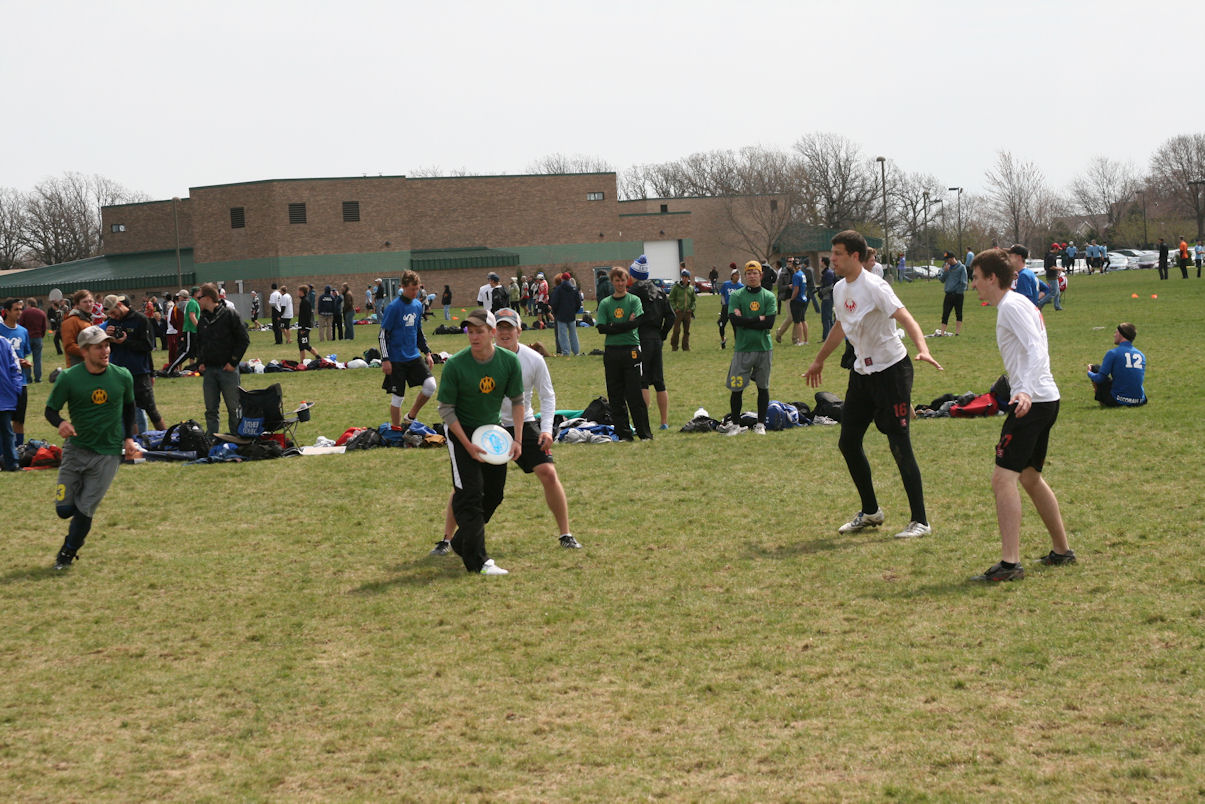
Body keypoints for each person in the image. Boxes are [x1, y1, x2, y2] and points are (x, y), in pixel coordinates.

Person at [804, 229, 942, 540]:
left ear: (855, 256)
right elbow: (841, 326)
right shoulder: (839, 288)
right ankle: (870, 512)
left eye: (838, 254)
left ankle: (920, 521)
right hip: (862, 373)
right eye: (832, 253)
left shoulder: (876, 286)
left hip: (891, 372)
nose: (832, 259)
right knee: (848, 442)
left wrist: (923, 348)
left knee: (899, 444)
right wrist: (819, 359)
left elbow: (907, 319)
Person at [432, 307, 580, 556]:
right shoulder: (475, 358)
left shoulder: (532, 359)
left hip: (523, 423)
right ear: (493, 332)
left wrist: (546, 430)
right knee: (467, 484)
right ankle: (447, 539)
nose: (504, 333)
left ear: (519, 331)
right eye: (500, 327)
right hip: (488, 425)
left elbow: (546, 396)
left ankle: (566, 533)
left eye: (509, 328)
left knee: (548, 472)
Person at [967, 249, 1075, 581]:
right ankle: (1062, 551)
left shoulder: (1011, 306)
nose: (973, 285)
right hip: (1044, 399)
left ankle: (1010, 564)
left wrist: (1024, 389)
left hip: (1033, 401)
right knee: (1029, 477)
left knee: (1003, 479)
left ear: (992, 278)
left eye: (976, 278)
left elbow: (1036, 349)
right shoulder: (1015, 304)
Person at [44, 325, 140, 570]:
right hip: (76, 449)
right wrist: (61, 423)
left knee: (85, 510)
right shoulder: (68, 378)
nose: (105, 350)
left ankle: (67, 552)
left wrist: (129, 438)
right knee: (64, 509)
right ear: (84, 351)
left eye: (107, 345)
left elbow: (129, 407)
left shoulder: (122, 376)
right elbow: (50, 410)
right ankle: (78, 497)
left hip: (108, 454)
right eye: (99, 347)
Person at [436, 307, 524, 575]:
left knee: (494, 493)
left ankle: (462, 541)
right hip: (460, 433)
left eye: (479, 332)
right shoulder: (455, 364)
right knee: (470, 493)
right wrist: (467, 445)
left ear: (492, 333)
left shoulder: (509, 361)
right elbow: (446, 409)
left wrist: (517, 440)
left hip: (491, 432)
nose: (473, 337)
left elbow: (518, 401)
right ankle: (479, 562)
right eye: (470, 332)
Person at [718, 261, 777, 435]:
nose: (752, 276)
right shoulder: (737, 296)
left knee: (763, 387)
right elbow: (734, 320)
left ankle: (760, 425)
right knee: (736, 388)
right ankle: (736, 425)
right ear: (745, 276)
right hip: (742, 349)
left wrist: (746, 320)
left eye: (755, 273)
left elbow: (769, 323)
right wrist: (758, 319)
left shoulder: (768, 296)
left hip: (763, 349)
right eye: (749, 273)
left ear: (761, 275)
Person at [596, 265, 652, 441]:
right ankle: (623, 434)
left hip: (631, 350)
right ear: (612, 282)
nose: (620, 283)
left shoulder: (634, 300)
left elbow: (636, 323)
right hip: (612, 351)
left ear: (627, 281)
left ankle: (644, 433)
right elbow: (601, 328)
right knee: (615, 395)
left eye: (622, 280)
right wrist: (624, 325)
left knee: (634, 394)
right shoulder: (605, 303)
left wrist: (613, 326)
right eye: (617, 280)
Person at [379, 271, 436, 428]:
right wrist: (385, 359)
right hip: (396, 359)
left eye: (417, 289)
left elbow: (418, 332)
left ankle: (410, 417)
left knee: (430, 385)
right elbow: (382, 335)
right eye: (412, 289)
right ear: (402, 287)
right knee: (398, 398)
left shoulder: (417, 305)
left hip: (414, 357)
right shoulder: (393, 307)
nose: (415, 292)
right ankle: (396, 430)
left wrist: (427, 353)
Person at [101, 295, 167, 432]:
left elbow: (148, 346)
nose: (113, 316)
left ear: (120, 305)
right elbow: (106, 349)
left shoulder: (140, 319)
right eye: (110, 314)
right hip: (118, 373)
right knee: (129, 414)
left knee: (151, 410)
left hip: (139, 372)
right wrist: (108, 338)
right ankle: (134, 441)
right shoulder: (111, 322)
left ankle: (166, 438)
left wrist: (125, 341)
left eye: (113, 312)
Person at [196, 283, 250, 436]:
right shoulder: (203, 318)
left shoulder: (230, 314)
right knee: (210, 409)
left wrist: (233, 362)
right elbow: (199, 342)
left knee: (234, 407)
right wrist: (200, 361)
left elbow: (243, 340)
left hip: (227, 369)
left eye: (199, 298)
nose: (197, 301)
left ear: (207, 298)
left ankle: (237, 437)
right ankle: (212, 438)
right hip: (209, 370)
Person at [627, 258, 673, 430]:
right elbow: (671, 316)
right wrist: (662, 334)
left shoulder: (633, 292)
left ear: (633, 275)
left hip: (640, 337)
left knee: (642, 381)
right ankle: (664, 422)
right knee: (659, 382)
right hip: (656, 338)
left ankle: (643, 421)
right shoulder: (659, 291)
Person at [1087, 322, 1147, 407]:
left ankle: (1103, 403)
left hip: (1119, 400)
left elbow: (1100, 378)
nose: (1114, 335)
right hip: (1140, 400)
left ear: (1121, 334)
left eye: (1116, 332)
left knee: (1095, 368)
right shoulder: (1141, 354)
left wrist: (1089, 373)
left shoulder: (1113, 353)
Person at [0, 299, 32, 446]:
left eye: (21, 309)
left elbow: (28, 352)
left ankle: (19, 448)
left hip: (20, 382)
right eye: (16, 309)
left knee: (19, 419)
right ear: (6, 311)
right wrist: (12, 360)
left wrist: (28, 361)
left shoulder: (23, 331)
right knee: (4, 419)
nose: (19, 312)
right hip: (3, 382)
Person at [165, 287, 201, 373]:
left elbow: (173, 320)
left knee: (191, 351)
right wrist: (199, 327)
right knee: (187, 351)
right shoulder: (192, 303)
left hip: (189, 330)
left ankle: (192, 368)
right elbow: (192, 316)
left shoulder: (191, 303)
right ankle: (171, 368)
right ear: (195, 293)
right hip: (190, 330)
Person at [0, 335, 22, 472]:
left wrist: (16, 388)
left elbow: (16, 367)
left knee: (7, 431)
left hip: (4, 394)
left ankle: (11, 463)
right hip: (5, 395)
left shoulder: (4, 343)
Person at [549, 272, 582, 356]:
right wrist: (574, 311)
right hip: (571, 315)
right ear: (569, 279)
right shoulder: (574, 289)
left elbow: (554, 302)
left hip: (561, 315)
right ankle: (576, 351)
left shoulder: (558, 289)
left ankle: (566, 352)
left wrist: (555, 312)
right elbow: (578, 303)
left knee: (562, 335)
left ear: (562, 279)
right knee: (573, 334)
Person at [936, 251, 968, 336]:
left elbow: (964, 282)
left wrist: (958, 292)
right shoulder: (946, 267)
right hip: (948, 294)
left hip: (958, 295)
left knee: (958, 313)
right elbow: (942, 280)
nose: (946, 262)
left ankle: (957, 332)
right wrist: (946, 271)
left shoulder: (961, 267)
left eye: (947, 260)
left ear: (952, 258)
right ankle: (942, 332)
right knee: (945, 313)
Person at [61, 290, 94, 368]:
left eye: (90, 301)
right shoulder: (71, 321)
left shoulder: (87, 320)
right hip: (77, 367)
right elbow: (69, 347)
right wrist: (91, 352)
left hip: (90, 365)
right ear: (77, 305)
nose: (89, 304)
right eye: (85, 302)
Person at [18, 298, 48, 383]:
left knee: (27, 359)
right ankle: (38, 378)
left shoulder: (25, 313)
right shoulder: (41, 313)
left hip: (27, 338)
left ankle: (28, 378)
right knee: (37, 359)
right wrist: (41, 335)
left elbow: (21, 325)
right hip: (38, 337)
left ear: (29, 304)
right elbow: (44, 327)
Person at [668, 268, 697, 351]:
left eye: (686, 277)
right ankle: (674, 346)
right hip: (678, 312)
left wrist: (691, 309)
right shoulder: (676, 287)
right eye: (683, 277)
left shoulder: (691, 288)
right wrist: (675, 308)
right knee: (676, 330)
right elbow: (671, 299)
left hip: (687, 312)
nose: (684, 279)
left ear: (688, 278)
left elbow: (693, 301)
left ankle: (686, 347)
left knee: (687, 331)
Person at [717, 265, 742, 349]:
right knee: (721, 325)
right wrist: (724, 305)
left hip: (735, 309)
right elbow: (722, 295)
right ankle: (723, 340)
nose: (737, 276)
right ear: (732, 276)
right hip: (726, 307)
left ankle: (737, 343)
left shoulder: (741, 286)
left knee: (735, 326)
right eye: (735, 275)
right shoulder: (726, 284)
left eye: (738, 275)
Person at [294, 285, 321, 362]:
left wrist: (303, 328)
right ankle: (302, 362)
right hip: (301, 327)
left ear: (302, 292)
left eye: (298, 291)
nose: (297, 293)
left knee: (306, 345)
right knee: (301, 346)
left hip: (304, 328)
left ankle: (319, 358)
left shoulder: (305, 301)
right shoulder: (303, 301)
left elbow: (307, 316)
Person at [818, 257, 836, 340]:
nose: (820, 263)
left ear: (823, 262)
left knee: (826, 318)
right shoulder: (827, 272)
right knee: (828, 318)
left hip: (827, 298)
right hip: (827, 298)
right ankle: (832, 336)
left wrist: (821, 291)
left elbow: (830, 286)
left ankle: (826, 337)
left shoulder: (828, 273)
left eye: (820, 261)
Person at [1042, 244, 1064, 309]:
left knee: (1058, 292)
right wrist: (1060, 268)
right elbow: (1051, 267)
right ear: (1054, 248)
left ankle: (1057, 306)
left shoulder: (1049, 255)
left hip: (1053, 275)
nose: (1058, 251)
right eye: (1058, 249)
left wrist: (1057, 271)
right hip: (1051, 276)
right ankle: (1040, 302)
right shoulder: (1051, 256)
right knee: (1053, 293)